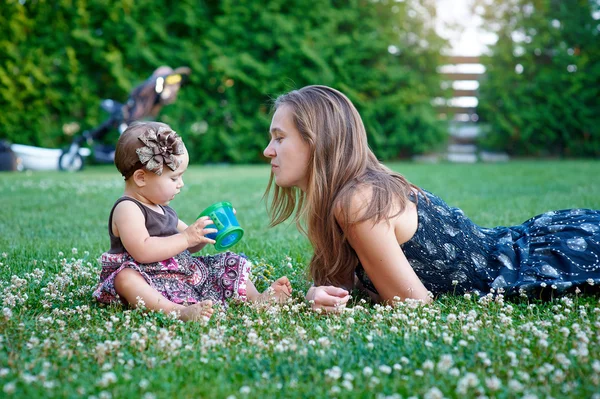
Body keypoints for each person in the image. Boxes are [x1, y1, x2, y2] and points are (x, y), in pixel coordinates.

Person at [263, 85, 600, 312]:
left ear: (318, 141)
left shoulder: (358, 201)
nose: (268, 151)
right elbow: (341, 285)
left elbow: (414, 305)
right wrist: (316, 295)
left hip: (540, 260)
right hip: (524, 242)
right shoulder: (342, 198)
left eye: (280, 138)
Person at [93, 121, 291, 321]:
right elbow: (142, 251)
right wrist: (186, 238)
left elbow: (190, 246)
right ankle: (176, 311)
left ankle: (257, 299)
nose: (181, 184)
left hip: (180, 274)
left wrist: (206, 230)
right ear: (141, 178)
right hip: (146, 278)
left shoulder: (162, 208)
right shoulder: (128, 208)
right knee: (125, 278)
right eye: (174, 178)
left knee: (225, 262)